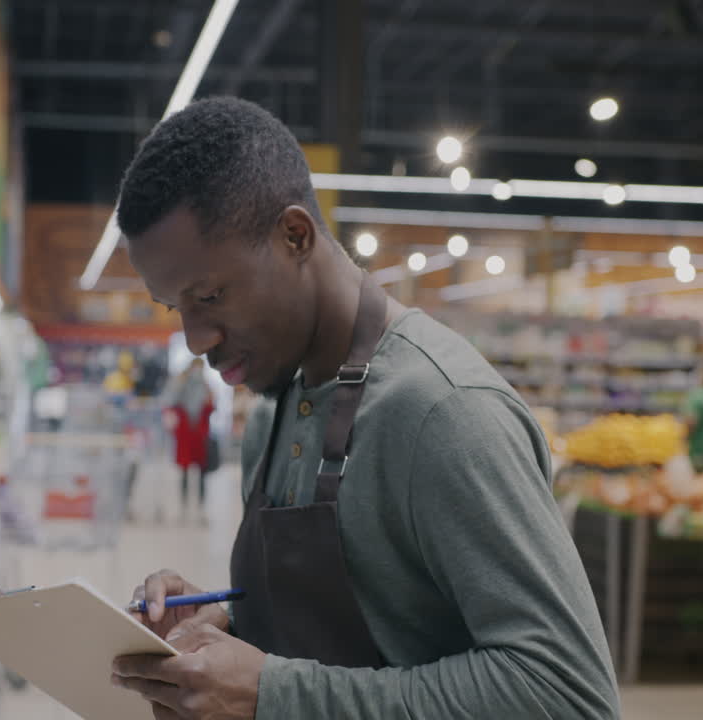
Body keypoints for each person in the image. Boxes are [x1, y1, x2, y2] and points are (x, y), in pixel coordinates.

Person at [109, 97, 619, 719]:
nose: (195, 339)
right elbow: (378, 629)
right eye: (175, 307)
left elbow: (568, 695)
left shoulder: (442, 413)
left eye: (210, 295)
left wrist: (272, 692)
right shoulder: (275, 410)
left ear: (294, 235)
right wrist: (228, 629)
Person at [163, 357, 216, 524]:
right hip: (186, 435)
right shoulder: (180, 385)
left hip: (200, 435)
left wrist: (209, 401)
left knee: (202, 473)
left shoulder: (206, 387)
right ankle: (183, 508)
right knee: (185, 472)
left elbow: (211, 408)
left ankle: (200, 509)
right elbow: (171, 404)